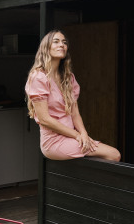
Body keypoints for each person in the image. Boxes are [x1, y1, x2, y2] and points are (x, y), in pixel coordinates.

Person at [25, 30, 121, 161]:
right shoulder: (39, 77)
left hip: (71, 137)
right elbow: (44, 119)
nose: (62, 45)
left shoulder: (68, 78)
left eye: (64, 42)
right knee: (113, 154)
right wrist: (77, 135)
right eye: (56, 41)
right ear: (46, 47)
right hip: (54, 141)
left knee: (107, 155)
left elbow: (75, 113)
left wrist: (84, 134)